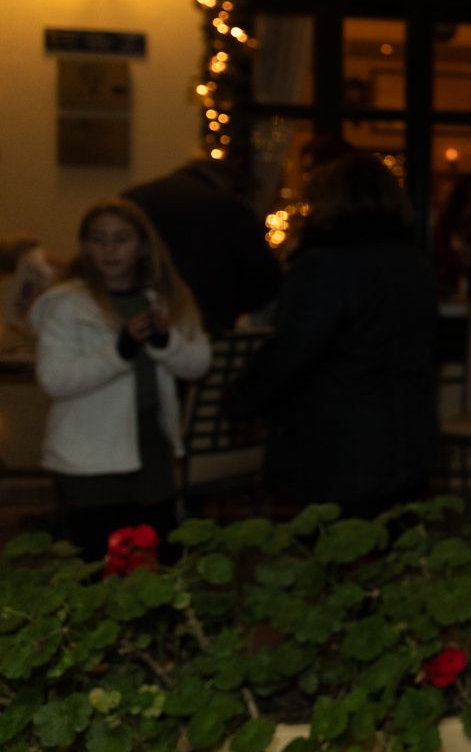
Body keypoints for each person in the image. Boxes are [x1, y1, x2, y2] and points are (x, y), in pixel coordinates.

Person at [226, 152, 437, 518]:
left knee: (331, 547)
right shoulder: (414, 263)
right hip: (409, 441)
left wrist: (239, 401)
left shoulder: (325, 267)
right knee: (394, 544)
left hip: (340, 449)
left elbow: (291, 351)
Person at [30, 199, 210, 560]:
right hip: (90, 459)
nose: (109, 250)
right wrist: (118, 353)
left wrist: (166, 343)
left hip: (151, 450)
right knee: (99, 564)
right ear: (85, 246)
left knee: (162, 561)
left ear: (142, 245)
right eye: (98, 240)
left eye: (121, 239)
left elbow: (198, 365)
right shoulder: (67, 304)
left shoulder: (163, 299)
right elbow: (54, 380)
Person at [123, 156, 281, 334]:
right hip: (204, 323)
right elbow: (263, 279)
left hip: (134, 317)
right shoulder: (227, 206)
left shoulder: (132, 199)